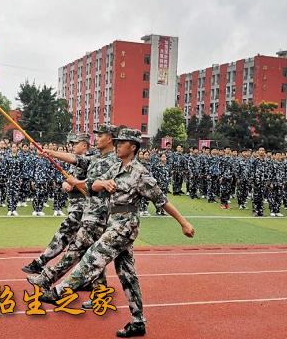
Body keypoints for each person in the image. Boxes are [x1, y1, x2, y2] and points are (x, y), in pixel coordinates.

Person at [39, 128, 195, 338]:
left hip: (125, 225)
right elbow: (92, 183)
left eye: (123, 142)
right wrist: (101, 183)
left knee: (93, 256)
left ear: (133, 147)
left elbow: (161, 200)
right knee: (127, 275)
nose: (118, 145)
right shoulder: (116, 167)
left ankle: (59, 291)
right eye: (118, 141)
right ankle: (138, 322)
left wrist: (183, 223)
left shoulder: (140, 173)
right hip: (114, 222)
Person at [21, 133, 90, 274]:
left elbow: (90, 181)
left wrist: (50, 152)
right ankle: (91, 278)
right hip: (75, 204)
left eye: (75, 143)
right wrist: (66, 184)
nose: (72, 146)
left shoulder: (90, 159)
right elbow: (69, 177)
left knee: (65, 234)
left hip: (84, 206)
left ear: (84, 145)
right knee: (84, 242)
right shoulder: (74, 163)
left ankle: (40, 262)